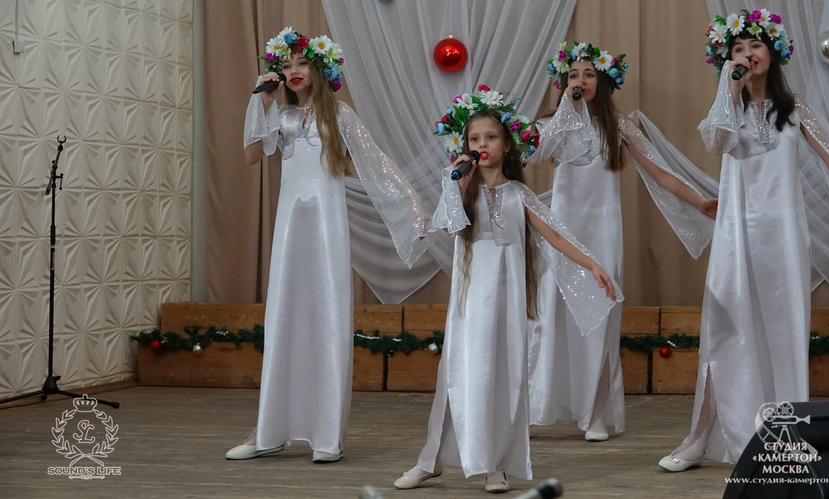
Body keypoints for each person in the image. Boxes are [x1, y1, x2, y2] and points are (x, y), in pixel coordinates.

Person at [659, 9, 829, 472]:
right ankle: (700, 437)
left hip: (782, 237)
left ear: (774, 52)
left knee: (783, 333)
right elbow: (716, 142)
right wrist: (731, 88)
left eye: (755, 46)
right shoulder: (728, 109)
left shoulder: (794, 108)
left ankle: (787, 439)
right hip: (735, 236)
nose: (747, 54)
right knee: (725, 330)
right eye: (737, 49)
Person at [395, 86, 620, 493]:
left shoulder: (519, 194)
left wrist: (591, 264)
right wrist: (457, 183)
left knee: (506, 376)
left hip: (509, 299)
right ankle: (430, 459)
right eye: (474, 139)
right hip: (471, 303)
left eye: (490, 137)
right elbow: (450, 225)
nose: (481, 145)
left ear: (508, 144)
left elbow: (555, 234)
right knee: (461, 374)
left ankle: (496, 464)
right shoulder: (460, 187)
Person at [226, 27, 429, 463]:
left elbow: (376, 164)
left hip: (325, 226)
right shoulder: (281, 117)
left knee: (326, 317)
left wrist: (412, 207)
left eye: (302, 63)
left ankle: (326, 435)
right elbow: (251, 155)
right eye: (286, 65)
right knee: (285, 316)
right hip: (290, 227)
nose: (294, 71)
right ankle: (268, 429)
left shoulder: (339, 115)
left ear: (320, 68)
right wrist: (262, 101)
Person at [529, 42, 717, 442]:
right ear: (564, 82)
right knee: (553, 316)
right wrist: (567, 110)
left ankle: (595, 412)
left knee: (601, 315)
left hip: (602, 232)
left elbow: (661, 173)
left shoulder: (619, 125)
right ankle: (540, 404)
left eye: (589, 74)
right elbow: (536, 154)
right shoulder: (551, 123)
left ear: (604, 81)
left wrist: (700, 201)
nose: (581, 81)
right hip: (563, 232)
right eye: (574, 75)